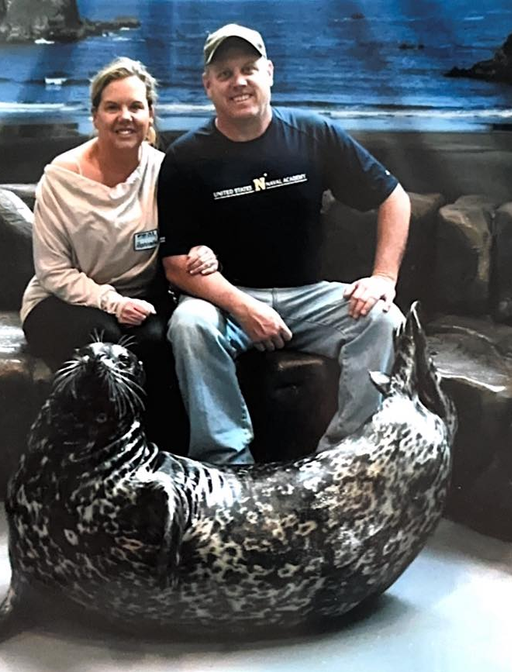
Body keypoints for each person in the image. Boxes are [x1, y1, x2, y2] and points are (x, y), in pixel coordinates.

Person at [157, 24, 412, 466]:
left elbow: (394, 197)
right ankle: (229, 463)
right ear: (208, 85)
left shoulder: (314, 134)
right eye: (225, 73)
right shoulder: (185, 157)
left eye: (249, 69)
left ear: (269, 73)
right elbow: (177, 265)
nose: (239, 81)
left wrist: (383, 278)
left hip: (310, 297)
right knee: (188, 324)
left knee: (383, 318)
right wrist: (244, 308)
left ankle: (342, 458)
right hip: (229, 301)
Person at [21, 57, 217, 453]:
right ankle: (99, 466)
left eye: (135, 107)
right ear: (95, 116)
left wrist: (204, 249)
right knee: (110, 347)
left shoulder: (166, 171)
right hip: (60, 302)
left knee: (161, 342)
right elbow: (52, 271)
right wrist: (112, 301)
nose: (124, 117)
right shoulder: (61, 177)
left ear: (150, 116)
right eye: (112, 107)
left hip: (139, 303)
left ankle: (169, 465)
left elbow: (194, 233)